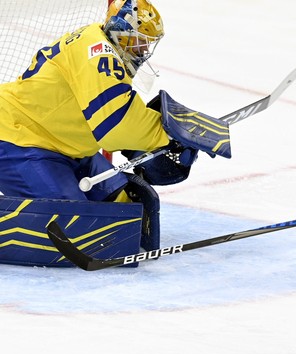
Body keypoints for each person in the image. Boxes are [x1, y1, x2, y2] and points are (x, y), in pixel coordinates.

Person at [0, 0, 199, 203]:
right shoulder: (96, 51)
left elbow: (109, 113)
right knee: (75, 221)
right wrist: (164, 137)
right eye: (141, 39)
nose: (145, 48)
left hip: (67, 146)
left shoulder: (110, 51)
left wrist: (150, 141)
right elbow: (115, 125)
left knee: (128, 205)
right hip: (18, 138)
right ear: (123, 30)